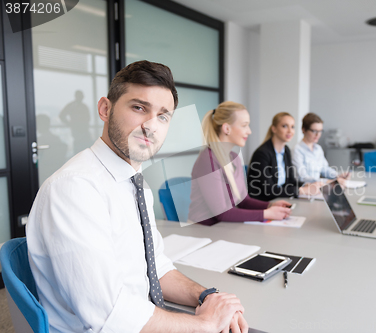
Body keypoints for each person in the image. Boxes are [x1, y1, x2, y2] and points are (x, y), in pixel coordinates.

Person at [26, 61, 248, 333]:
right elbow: (108, 314)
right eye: (139, 108)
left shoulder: (136, 185)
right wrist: (204, 324)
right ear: (105, 109)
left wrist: (207, 296)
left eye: (163, 116)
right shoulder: (75, 188)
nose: (151, 126)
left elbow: (156, 269)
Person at [188, 101, 291, 226]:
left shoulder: (235, 158)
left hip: (224, 228)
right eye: (244, 125)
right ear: (226, 128)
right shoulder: (207, 161)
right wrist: (266, 213)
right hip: (204, 231)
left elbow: (243, 201)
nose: (249, 131)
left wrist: (270, 205)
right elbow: (222, 214)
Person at [247, 112, 320, 201]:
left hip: (279, 199)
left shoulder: (286, 151)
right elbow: (270, 190)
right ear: (274, 129)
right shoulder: (262, 154)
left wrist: (305, 185)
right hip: (264, 202)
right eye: (285, 126)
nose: (290, 131)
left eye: (292, 127)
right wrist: (300, 190)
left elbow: (290, 181)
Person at [293, 112, 349, 183]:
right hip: (306, 189)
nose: (318, 135)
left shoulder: (318, 149)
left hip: (318, 187)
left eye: (320, 131)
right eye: (314, 131)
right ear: (304, 130)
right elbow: (302, 177)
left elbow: (324, 169)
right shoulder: (297, 150)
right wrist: (328, 181)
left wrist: (338, 176)